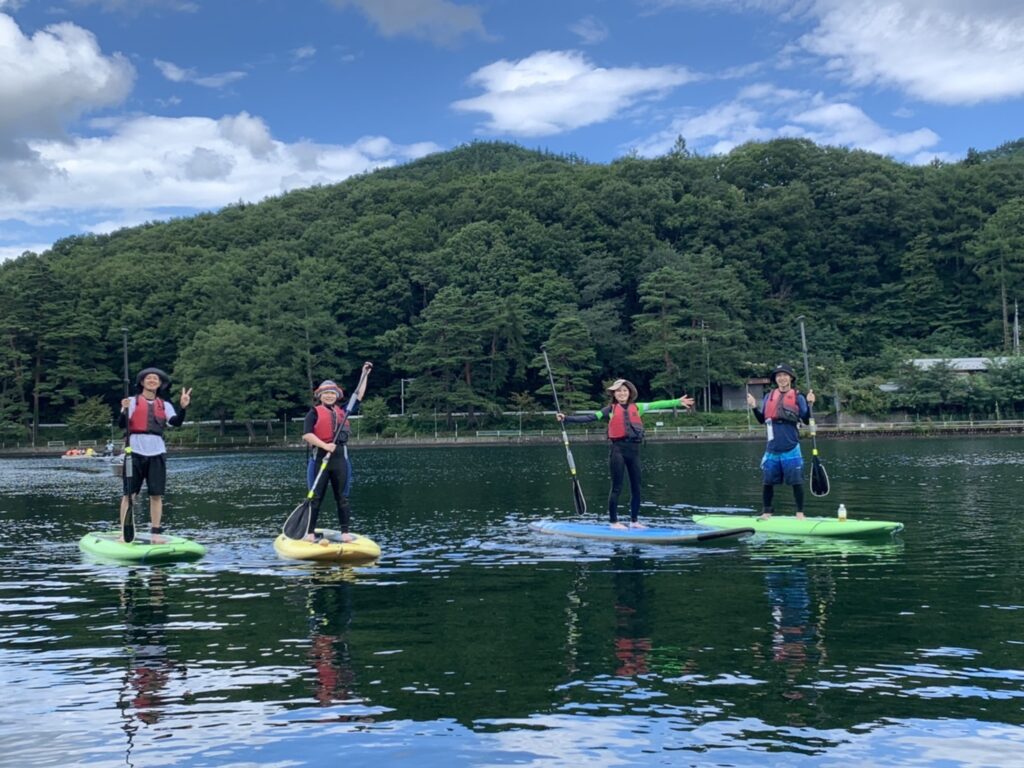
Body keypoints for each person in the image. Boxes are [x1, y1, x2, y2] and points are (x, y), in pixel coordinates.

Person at [557, 379, 694, 529]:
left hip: (634, 452)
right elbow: (590, 417)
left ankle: (634, 521)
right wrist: (567, 418)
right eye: (618, 391)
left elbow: (658, 404)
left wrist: (677, 401)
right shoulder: (609, 409)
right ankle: (613, 522)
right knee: (617, 487)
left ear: (630, 392)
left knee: (637, 487)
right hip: (617, 451)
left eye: (625, 390)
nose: (622, 393)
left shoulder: (638, 407)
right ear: (614, 394)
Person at [301, 362, 373, 543]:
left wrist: (364, 374)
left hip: (340, 459)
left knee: (342, 497)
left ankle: (345, 532)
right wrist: (325, 446)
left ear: (337, 396)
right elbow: (307, 435)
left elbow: (359, 395)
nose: (329, 396)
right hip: (320, 459)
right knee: (315, 497)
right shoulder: (313, 412)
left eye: (332, 393)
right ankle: (309, 533)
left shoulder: (344, 411)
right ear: (320, 396)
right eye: (326, 393)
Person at [119, 368, 192, 541]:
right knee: (129, 494)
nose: (152, 380)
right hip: (134, 452)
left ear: (160, 384)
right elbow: (122, 424)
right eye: (148, 378)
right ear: (142, 382)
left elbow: (176, 422)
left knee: (156, 494)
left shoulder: (164, 405)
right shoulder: (132, 401)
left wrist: (183, 408)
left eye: (156, 379)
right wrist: (124, 409)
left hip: (157, 452)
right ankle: (124, 531)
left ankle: (156, 533)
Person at [746, 363, 815, 519]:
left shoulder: (798, 397)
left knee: (796, 482)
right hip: (772, 448)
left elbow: (805, 418)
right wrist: (754, 407)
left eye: (784, 375)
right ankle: (767, 512)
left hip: (791, 446)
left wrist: (811, 404)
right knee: (767, 482)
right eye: (778, 376)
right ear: (775, 379)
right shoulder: (768, 396)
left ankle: (800, 513)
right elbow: (762, 420)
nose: (781, 378)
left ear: (790, 378)